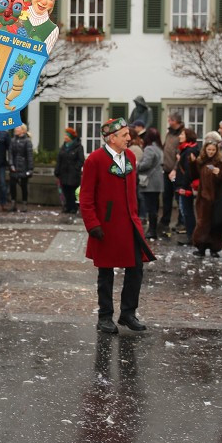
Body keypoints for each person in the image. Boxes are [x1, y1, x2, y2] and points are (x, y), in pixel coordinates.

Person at [80, 118, 156, 334]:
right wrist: (92, 224)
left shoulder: (130, 156)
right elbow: (86, 197)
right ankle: (105, 317)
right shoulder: (94, 160)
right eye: (124, 136)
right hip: (105, 227)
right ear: (111, 138)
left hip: (130, 225)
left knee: (136, 269)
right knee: (106, 273)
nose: (129, 139)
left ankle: (128, 313)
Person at [192, 137, 222, 258]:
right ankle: (201, 247)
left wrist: (219, 174)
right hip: (203, 198)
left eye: (213, 150)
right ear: (205, 150)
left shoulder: (219, 164)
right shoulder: (201, 162)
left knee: (215, 224)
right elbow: (194, 174)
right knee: (202, 223)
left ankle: (215, 248)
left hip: (216, 199)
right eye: (209, 149)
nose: (211, 152)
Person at [171, 128, 200, 242]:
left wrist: (183, 186)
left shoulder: (189, 151)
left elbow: (188, 171)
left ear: (188, 136)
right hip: (183, 184)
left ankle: (191, 236)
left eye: (182, 134)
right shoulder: (187, 149)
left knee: (186, 211)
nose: (180, 136)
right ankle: (191, 235)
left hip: (185, 186)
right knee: (186, 211)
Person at [135, 128, 164, 236]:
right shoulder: (159, 148)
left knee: (151, 207)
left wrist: (137, 165)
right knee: (154, 206)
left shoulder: (149, 149)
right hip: (157, 182)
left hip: (150, 182)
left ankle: (152, 231)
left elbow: (146, 164)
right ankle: (153, 230)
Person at [160, 112, 184, 235]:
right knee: (166, 197)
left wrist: (175, 169)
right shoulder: (169, 133)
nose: (168, 121)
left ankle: (181, 221)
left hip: (176, 171)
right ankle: (165, 220)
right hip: (166, 169)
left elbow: (180, 154)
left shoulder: (182, 134)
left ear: (176, 121)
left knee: (178, 196)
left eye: (171, 120)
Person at [54, 127, 84, 215]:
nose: (65, 137)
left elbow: (81, 160)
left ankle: (73, 207)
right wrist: (57, 170)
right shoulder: (63, 147)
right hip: (63, 173)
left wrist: (76, 168)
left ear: (70, 137)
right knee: (65, 191)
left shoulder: (78, 147)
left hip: (73, 174)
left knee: (72, 192)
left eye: (66, 136)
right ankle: (67, 207)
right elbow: (59, 159)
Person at [9, 124, 34, 212]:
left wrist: (30, 168)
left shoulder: (27, 141)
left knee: (24, 186)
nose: (16, 129)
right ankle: (13, 203)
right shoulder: (13, 141)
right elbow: (10, 154)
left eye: (18, 128)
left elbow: (29, 155)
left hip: (24, 167)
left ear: (23, 130)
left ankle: (24, 204)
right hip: (14, 167)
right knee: (12, 186)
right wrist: (11, 164)